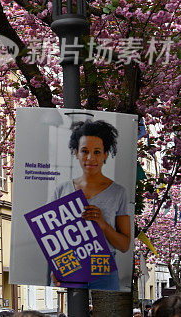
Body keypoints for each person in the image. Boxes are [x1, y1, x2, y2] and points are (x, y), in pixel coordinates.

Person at [50, 119, 131, 290]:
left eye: (97, 152)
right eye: (84, 151)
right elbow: (52, 237)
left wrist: (102, 224)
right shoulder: (61, 190)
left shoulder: (118, 192)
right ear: (76, 152)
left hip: (103, 265)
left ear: (106, 154)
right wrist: (55, 267)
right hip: (69, 263)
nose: (90, 158)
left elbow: (124, 245)